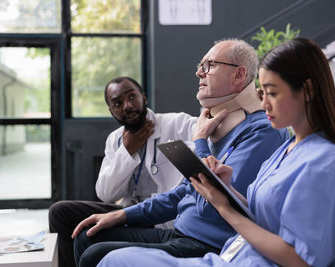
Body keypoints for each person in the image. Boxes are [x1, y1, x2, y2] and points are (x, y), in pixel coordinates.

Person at [96, 38, 335, 267]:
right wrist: (225, 191)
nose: (263, 101)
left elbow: (301, 259)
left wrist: (226, 206)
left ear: (306, 91)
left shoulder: (324, 164)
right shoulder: (288, 148)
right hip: (232, 256)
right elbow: (264, 214)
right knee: (112, 257)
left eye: (272, 92)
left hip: (240, 258)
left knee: (112, 260)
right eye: (262, 91)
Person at [72, 39, 289, 267]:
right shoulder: (219, 125)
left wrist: (200, 141)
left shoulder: (260, 132)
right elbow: (184, 191)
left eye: (209, 66)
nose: (198, 73)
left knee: (93, 255)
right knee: (88, 236)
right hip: (180, 232)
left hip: (207, 244)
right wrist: (121, 215)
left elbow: (213, 208)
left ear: (238, 75)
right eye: (200, 66)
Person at [48, 76, 197, 267]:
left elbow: (207, 136)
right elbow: (106, 194)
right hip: (128, 211)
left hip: (161, 216)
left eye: (132, 97)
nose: (127, 106)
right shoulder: (115, 140)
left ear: (144, 98)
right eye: (117, 103)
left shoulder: (176, 124)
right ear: (111, 111)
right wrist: (127, 151)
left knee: (88, 236)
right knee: (59, 212)